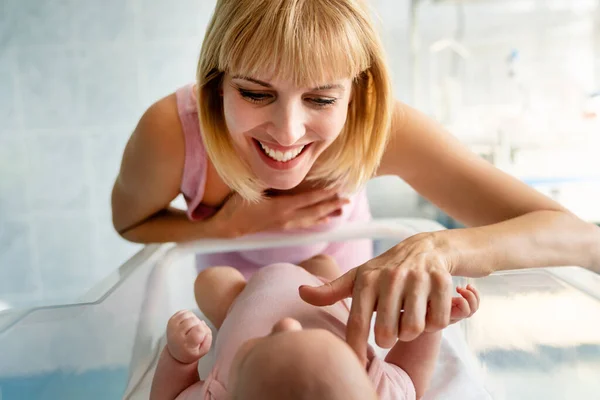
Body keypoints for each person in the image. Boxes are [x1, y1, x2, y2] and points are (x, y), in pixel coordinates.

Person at [111, 0, 600, 364]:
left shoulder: (381, 128)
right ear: (217, 80)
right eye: (255, 93)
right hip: (231, 338)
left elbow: (584, 241)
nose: (287, 132)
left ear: (358, 91)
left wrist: (439, 249)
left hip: (348, 342)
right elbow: (130, 223)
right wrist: (224, 228)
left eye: (321, 100)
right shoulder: (173, 132)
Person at [150, 255, 481, 400]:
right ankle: (315, 265)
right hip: (328, 290)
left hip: (242, 299)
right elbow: (410, 376)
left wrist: (180, 357)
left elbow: (170, 396)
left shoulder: (220, 393)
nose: (288, 324)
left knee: (212, 281)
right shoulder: (377, 391)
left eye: (272, 340)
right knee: (323, 261)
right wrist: (431, 323)